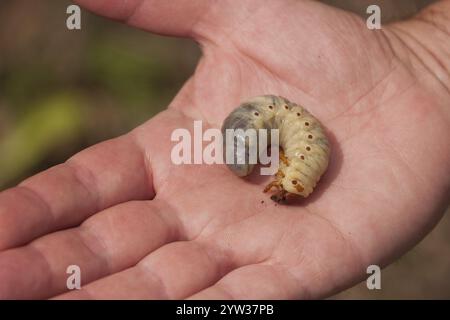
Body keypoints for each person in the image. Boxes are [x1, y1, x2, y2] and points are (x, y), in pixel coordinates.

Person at [0, 0, 449, 299]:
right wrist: (431, 57)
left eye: (288, 179)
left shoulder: (295, 137)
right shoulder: (277, 129)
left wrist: (431, 61)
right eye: (290, 179)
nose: (275, 180)